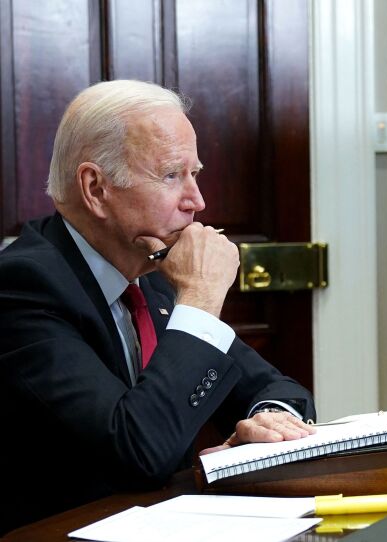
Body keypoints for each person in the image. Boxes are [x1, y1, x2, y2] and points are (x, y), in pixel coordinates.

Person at [0, 80, 317, 534]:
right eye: (172, 175)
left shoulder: (150, 268)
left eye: (195, 174)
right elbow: (137, 454)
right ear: (96, 187)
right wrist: (203, 296)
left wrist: (268, 425)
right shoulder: (22, 288)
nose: (198, 201)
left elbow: (283, 392)